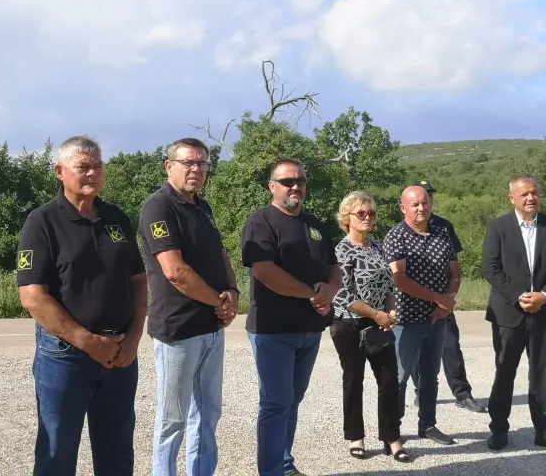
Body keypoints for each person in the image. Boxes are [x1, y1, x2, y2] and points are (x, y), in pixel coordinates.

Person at [17, 136, 148, 476]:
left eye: (98, 166)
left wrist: (133, 338)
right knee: (57, 454)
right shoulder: (42, 221)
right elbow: (33, 297)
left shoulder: (116, 217)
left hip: (120, 353)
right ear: (60, 171)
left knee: (117, 452)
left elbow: (138, 279)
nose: (92, 173)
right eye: (83, 167)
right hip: (66, 356)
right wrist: (90, 343)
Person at [139, 137, 238, 476]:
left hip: (211, 327)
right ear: (169, 166)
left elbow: (221, 254)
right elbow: (175, 271)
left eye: (202, 163)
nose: (196, 169)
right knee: (173, 420)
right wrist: (219, 301)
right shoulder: (159, 207)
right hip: (179, 330)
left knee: (208, 415)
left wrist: (232, 291)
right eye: (188, 163)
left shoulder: (202, 207)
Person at [241, 158, 341, 476]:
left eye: (300, 181)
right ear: (272, 186)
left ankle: (284, 465)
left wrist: (329, 290)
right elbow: (265, 272)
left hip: (310, 330)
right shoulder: (261, 223)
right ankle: (272, 471)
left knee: (293, 400)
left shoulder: (316, 225)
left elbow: (334, 268)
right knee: (276, 403)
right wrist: (311, 294)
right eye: (287, 181)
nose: (295, 186)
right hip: (273, 330)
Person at [330, 191, 409, 463]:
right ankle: (356, 437)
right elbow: (342, 293)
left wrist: (390, 311)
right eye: (360, 213)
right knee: (354, 380)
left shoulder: (377, 247)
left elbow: (389, 286)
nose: (367, 217)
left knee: (389, 380)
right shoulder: (341, 250)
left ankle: (392, 438)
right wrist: (376, 314)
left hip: (379, 323)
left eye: (371, 213)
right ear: (347, 218)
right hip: (349, 324)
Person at [383, 186, 460, 446]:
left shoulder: (441, 234)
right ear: (403, 208)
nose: (421, 208)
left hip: (437, 319)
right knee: (400, 376)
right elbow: (399, 279)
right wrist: (437, 298)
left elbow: (455, 271)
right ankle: (392, 430)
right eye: (414, 204)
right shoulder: (397, 236)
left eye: (425, 202)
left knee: (430, 375)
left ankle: (428, 424)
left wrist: (447, 301)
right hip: (406, 320)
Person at [409, 180, 486, 413]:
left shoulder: (443, 227)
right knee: (416, 349)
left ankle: (462, 394)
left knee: (451, 347)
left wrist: (449, 299)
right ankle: (421, 391)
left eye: (429, 197)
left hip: (443, 301)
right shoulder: (403, 228)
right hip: (414, 301)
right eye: (422, 197)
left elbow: (455, 268)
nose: (426, 201)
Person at [482, 175, 546, 450]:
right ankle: (498, 429)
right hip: (508, 315)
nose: (531, 198)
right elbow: (490, 268)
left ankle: (542, 429)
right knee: (505, 372)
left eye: (535, 192)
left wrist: (543, 296)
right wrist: (520, 297)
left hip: (543, 313)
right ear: (512, 199)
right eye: (524, 194)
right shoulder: (498, 227)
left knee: (542, 375)